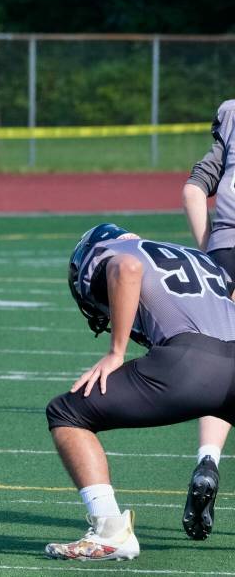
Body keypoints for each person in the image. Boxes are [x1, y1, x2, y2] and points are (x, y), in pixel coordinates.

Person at [45, 223, 235, 561]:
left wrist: (116, 352)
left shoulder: (107, 252)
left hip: (187, 362)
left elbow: (126, 268)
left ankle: (109, 529)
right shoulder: (196, 258)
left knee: (66, 413)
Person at [181, 99, 235, 540]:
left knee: (224, 364)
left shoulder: (232, 112)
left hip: (225, 250)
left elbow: (194, 188)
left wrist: (209, 255)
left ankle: (208, 461)